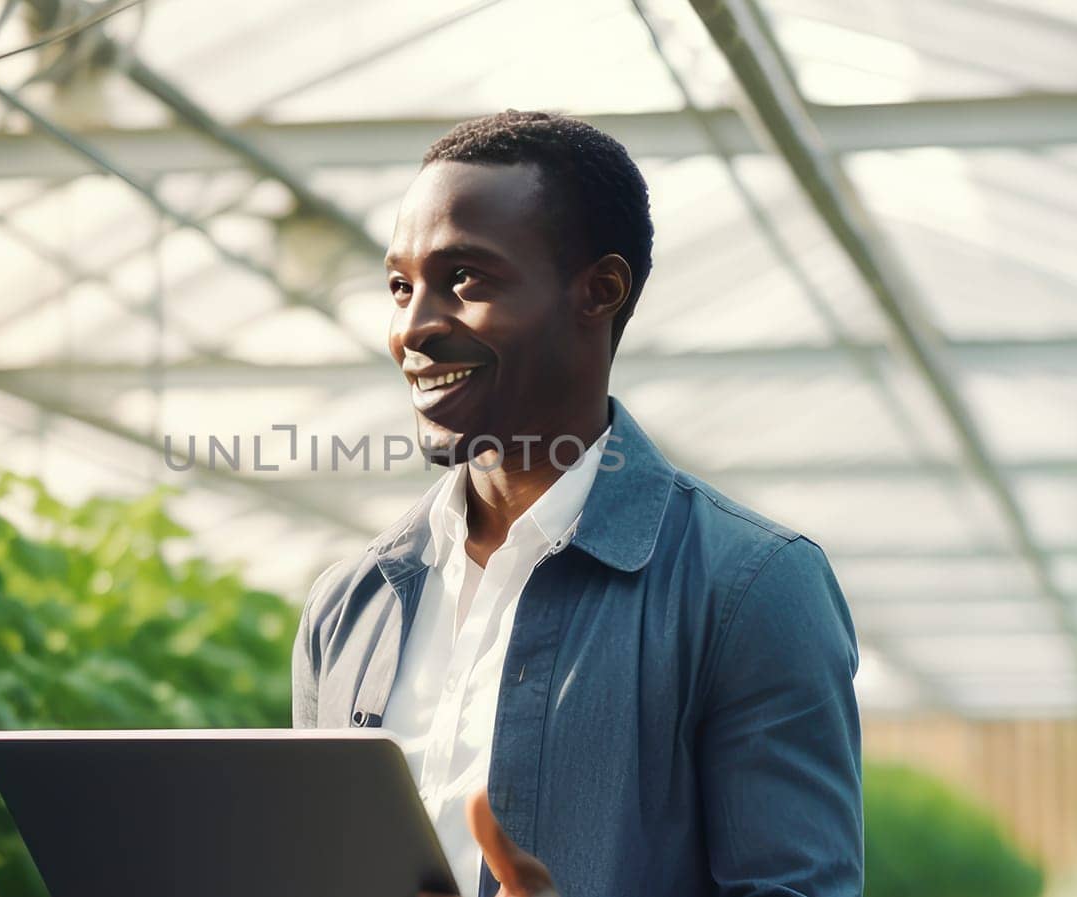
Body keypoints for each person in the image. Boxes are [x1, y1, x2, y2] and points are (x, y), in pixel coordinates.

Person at [290, 110, 862, 897]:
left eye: (465, 280)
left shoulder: (751, 590)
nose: (413, 327)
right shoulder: (348, 607)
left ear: (599, 291)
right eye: (401, 285)